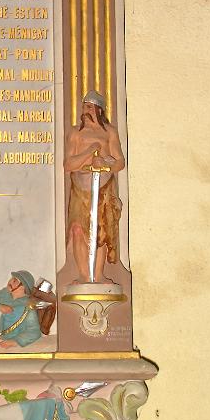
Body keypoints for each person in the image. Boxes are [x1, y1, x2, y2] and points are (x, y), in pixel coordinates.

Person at [63, 91, 125, 283]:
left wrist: (105, 164)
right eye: (83, 106)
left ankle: (97, 276)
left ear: (99, 109)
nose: (85, 110)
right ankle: (84, 275)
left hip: (103, 185)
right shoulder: (76, 132)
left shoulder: (109, 132)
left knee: (102, 230)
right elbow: (68, 165)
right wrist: (89, 154)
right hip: (80, 186)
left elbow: (120, 161)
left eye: (89, 107)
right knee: (78, 229)